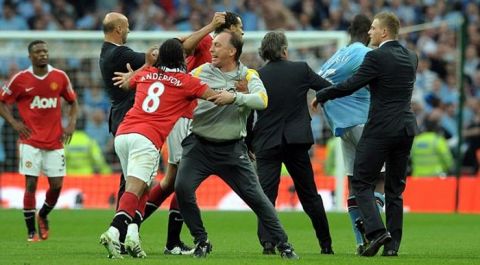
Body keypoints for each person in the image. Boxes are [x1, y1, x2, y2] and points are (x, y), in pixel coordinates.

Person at [100, 11, 217, 254]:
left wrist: (135, 74)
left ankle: (133, 239)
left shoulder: (145, 74)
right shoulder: (185, 81)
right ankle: (115, 232)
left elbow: (134, 79)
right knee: (137, 186)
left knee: (143, 186)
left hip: (124, 132)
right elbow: (214, 96)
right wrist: (239, 94)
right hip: (147, 136)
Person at [174, 31, 298, 259]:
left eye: (217, 46)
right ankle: (201, 240)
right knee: (182, 188)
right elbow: (178, 88)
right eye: (212, 46)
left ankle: (284, 244)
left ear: (232, 51)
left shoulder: (248, 76)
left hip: (232, 150)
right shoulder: (201, 72)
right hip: (199, 146)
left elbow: (262, 100)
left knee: (258, 198)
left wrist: (235, 98)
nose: (211, 49)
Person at [312, 12, 419, 257]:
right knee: (394, 190)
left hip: (380, 128)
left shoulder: (375, 56)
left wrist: (322, 94)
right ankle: (392, 248)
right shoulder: (412, 57)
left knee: (360, 181)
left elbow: (352, 84)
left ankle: (376, 231)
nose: (369, 32)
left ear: (384, 32)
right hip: (406, 128)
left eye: (373, 28)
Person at [140, 11, 245, 255]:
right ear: (228, 28)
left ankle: (129, 228)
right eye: (239, 27)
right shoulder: (210, 42)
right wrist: (211, 26)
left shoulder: (228, 54)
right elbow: (182, 47)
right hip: (185, 115)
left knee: (170, 183)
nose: (242, 32)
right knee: (181, 181)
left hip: (193, 118)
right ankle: (164, 239)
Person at [251, 31, 333, 255]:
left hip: (267, 141)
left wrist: (250, 143)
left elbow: (249, 111)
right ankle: (326, 244)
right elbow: (326, 87)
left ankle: (267, 244)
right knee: (309, 195)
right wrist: (320, 98)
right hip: (296, 141)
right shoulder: (301, 69)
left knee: (266, 195)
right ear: (285, 50)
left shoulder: (257, 75)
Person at [317, 14, 386, 255]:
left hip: (342, 126)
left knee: (353, 182)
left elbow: (321, 80)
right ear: (369, 32)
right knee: (379, 179)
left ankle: (360, 241)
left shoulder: (336, 56)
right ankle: (374, 231)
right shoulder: (367, 54)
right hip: (364, 123)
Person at [0, 40, 78, 242]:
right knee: (31, 184)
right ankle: (30, 232)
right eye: (38, 52)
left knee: (57, 185)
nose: (43, 54)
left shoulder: (59, 77)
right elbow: (2, 102)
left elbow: (72, 101)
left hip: (54, 141)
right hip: (30, 141)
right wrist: (14, 123)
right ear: (30, 56)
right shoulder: (20, 79)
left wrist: (71, 124)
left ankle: (42, 214)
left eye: (45, 51)